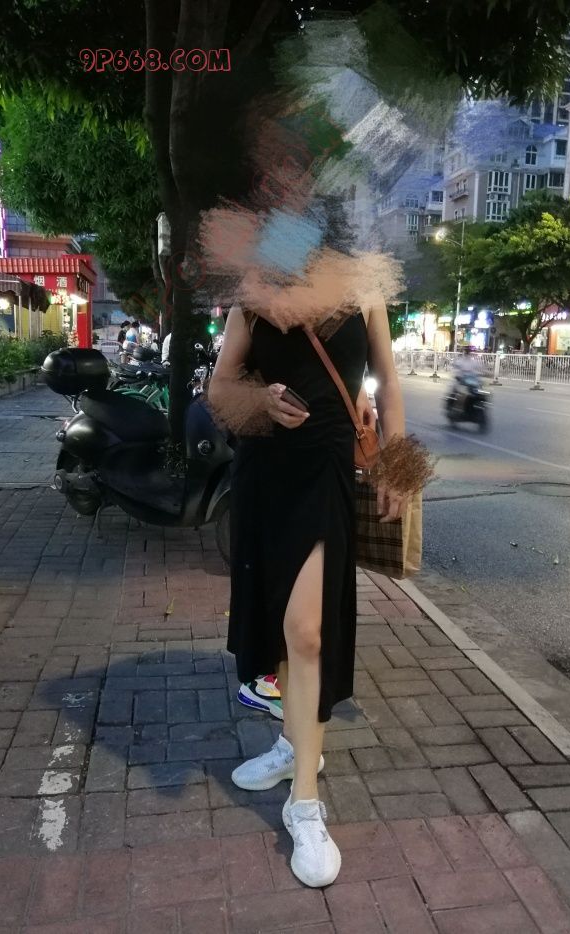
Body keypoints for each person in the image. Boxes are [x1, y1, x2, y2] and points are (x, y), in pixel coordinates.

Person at [208, 298, 406, 889]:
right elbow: (219, 389)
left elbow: (388, 381)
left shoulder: (365, 292)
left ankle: (305, 803)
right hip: (264, 476)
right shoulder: (253, 297)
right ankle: (294, 744)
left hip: (325, 474)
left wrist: (397, 466)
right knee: (281, 627)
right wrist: (260, 401)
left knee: (309, 633)